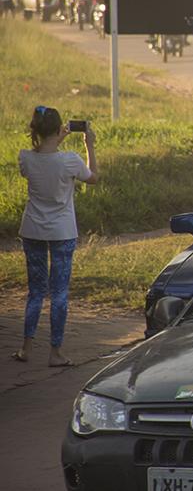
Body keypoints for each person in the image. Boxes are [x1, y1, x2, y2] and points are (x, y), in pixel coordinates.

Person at [13, 107, 98, 366]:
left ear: (35, 130)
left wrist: (55, 139)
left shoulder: (25, 158)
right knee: (59, 292)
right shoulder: (70, 160)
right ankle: (55, 352)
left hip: (32, 230)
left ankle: (26, 348)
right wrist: (90, 146)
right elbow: (93, 177)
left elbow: (43, 159)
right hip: (62, 231)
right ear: (60, 127)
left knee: (35, 292)